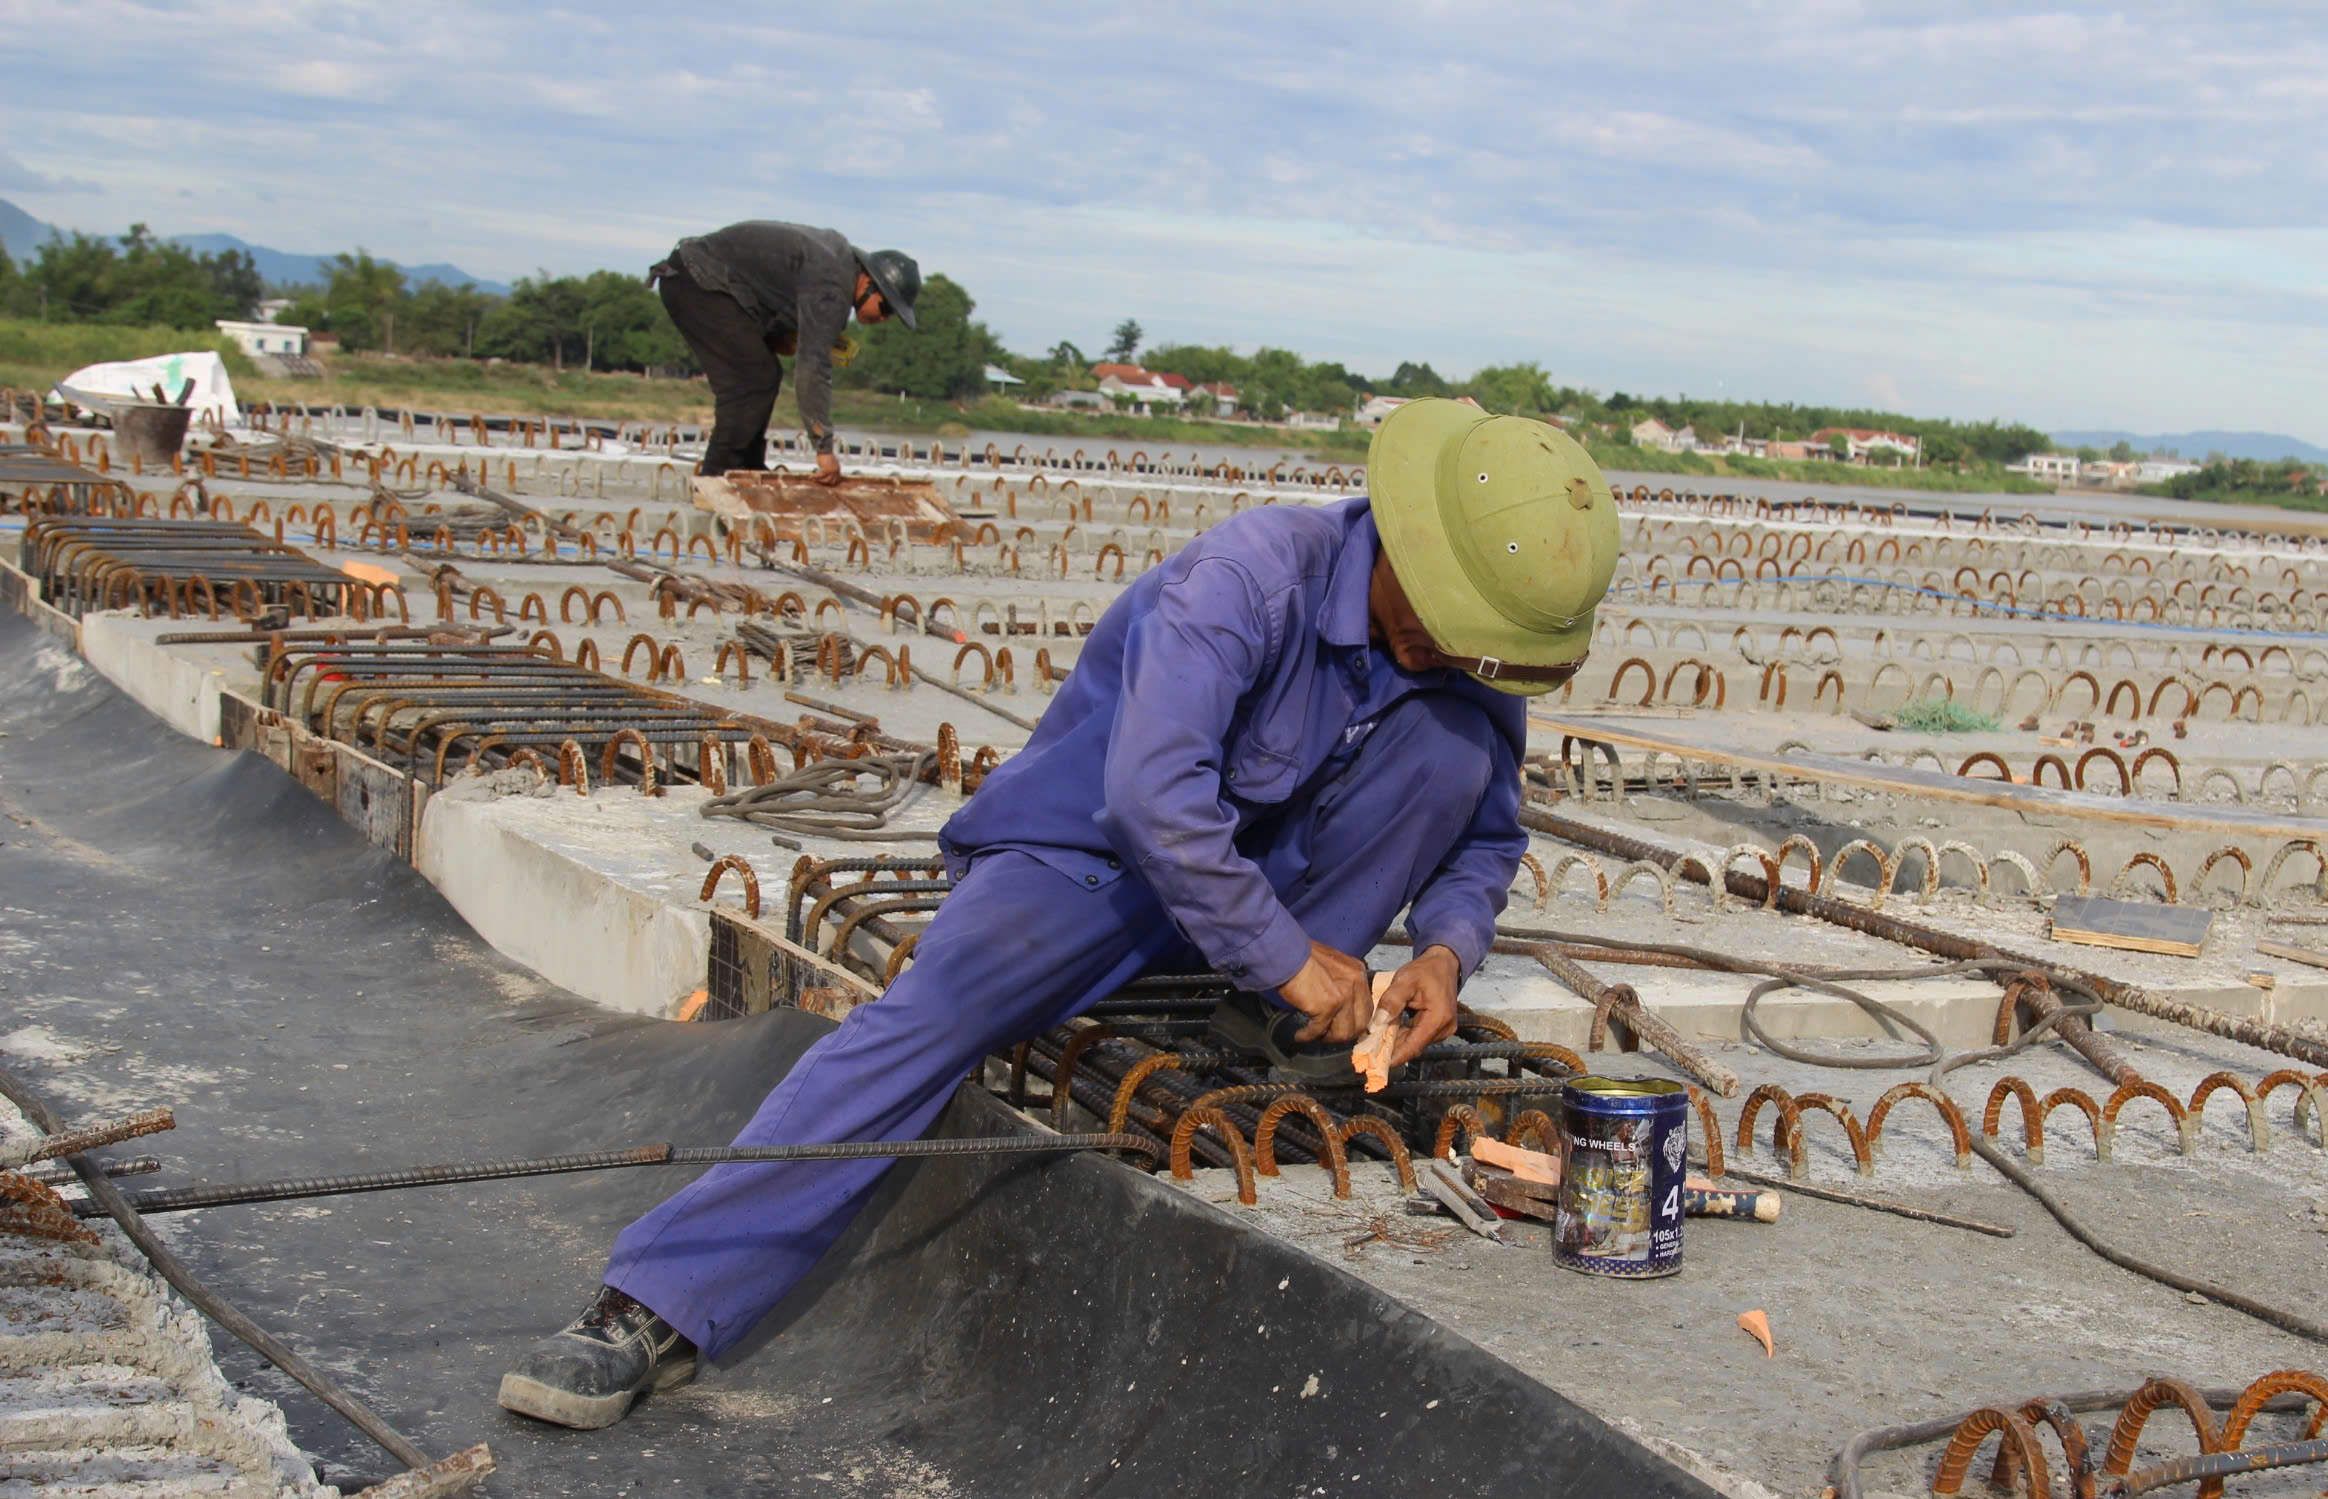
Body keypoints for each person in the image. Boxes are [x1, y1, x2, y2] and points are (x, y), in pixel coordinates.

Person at [497, 399, 1621, 1429]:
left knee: (1446, 745)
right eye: (1443, 625)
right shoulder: (1247, 579)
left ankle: (1277, 1007)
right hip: (1092, 862)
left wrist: (1441, 950)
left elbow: (1484, 834)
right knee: (929, 1018)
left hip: (1264, 900)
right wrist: (1287, 955)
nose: (1448, 651)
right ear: (1406, 544)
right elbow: (1153, 799)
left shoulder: (1470, 658)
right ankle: (657, 1304)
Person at [648, 221, 920, 484]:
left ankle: (747, 467)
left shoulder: (836, 262)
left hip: (707, 281)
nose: (884, 319)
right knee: (751, 379)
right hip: (696, 280)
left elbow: (767, 287)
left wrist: (782, 336)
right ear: (869, 283)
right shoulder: (834, 288)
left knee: (763, 374)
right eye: (886, 308)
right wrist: (823, 449)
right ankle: (718, 475)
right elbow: (813, 370)